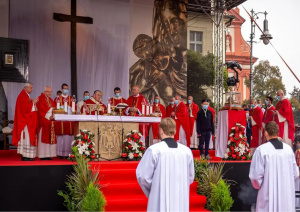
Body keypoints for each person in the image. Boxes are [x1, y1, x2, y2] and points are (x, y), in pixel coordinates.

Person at [136, 117, 194, 212]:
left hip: (159, 198)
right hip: (180, 198)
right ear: (175, 131)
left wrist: (155, 189)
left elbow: (143, 176)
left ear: (161, 131)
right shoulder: (186, 151)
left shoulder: (154, 150)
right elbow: (190, 177)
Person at [249, 121, 299, 212]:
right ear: (278, 132)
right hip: (285, 196)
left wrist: (260, 186)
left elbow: (255, 177)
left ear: (266, 133)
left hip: (268, 195)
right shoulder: (288, 150)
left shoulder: (261, 150)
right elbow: (295, 174)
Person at [12, 82, 39, 161]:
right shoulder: (23, 95)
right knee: (26, 138)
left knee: (27, 138)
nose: (32, 89)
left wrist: (33, 103)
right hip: (24, 122)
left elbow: (28, 106)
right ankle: (25, 156)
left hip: (27, 120)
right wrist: (33, 103)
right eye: (31, 87)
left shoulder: (26, 95)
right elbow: (25, 108)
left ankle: (26, 155)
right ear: (26, 87)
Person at [54, 83, 76, 159]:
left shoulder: (71, 99)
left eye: (67, 88)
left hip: (69, 121)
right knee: (60, 137)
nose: (66, 90)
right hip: (60, 121)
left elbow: (74, 109)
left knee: (68, 138)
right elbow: (55, 109)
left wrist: (70, 110)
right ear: (62, 89)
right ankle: (59, 153)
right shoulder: (58, 98)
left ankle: (67, 153)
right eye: (64, 88)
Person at [36, 86, 56, 160]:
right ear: (44, 92)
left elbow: (54, 108)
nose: (50, 93)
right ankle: (42, 155)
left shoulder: (50, 100)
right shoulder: (40, 99)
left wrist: (54, 114)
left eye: (51, 92)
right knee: (43, 137)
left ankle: (48, 154)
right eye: (48, 91)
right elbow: (41, 111)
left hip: (50, 122)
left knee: (49, 137)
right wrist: (49, 116)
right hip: (43, 122)